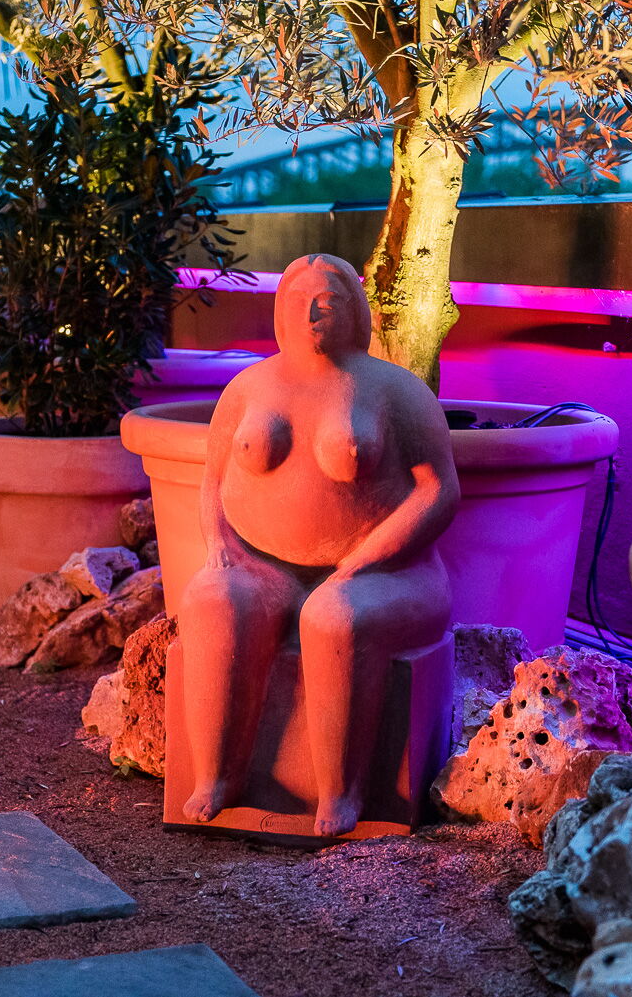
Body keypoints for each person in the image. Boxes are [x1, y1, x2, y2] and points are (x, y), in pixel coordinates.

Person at [179, 253, 460, 837]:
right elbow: (212, 479)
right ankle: (217, 777)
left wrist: (365, 558)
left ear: (353, 311)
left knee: (333, 617)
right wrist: (219, 546)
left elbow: (438, 493)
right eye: (298, 302)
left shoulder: (395, 390)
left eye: (327, 303)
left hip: (386, 572)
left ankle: (342, 791)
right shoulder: (248, 386)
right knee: (212, 600)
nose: (311, 314)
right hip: (262, 565)